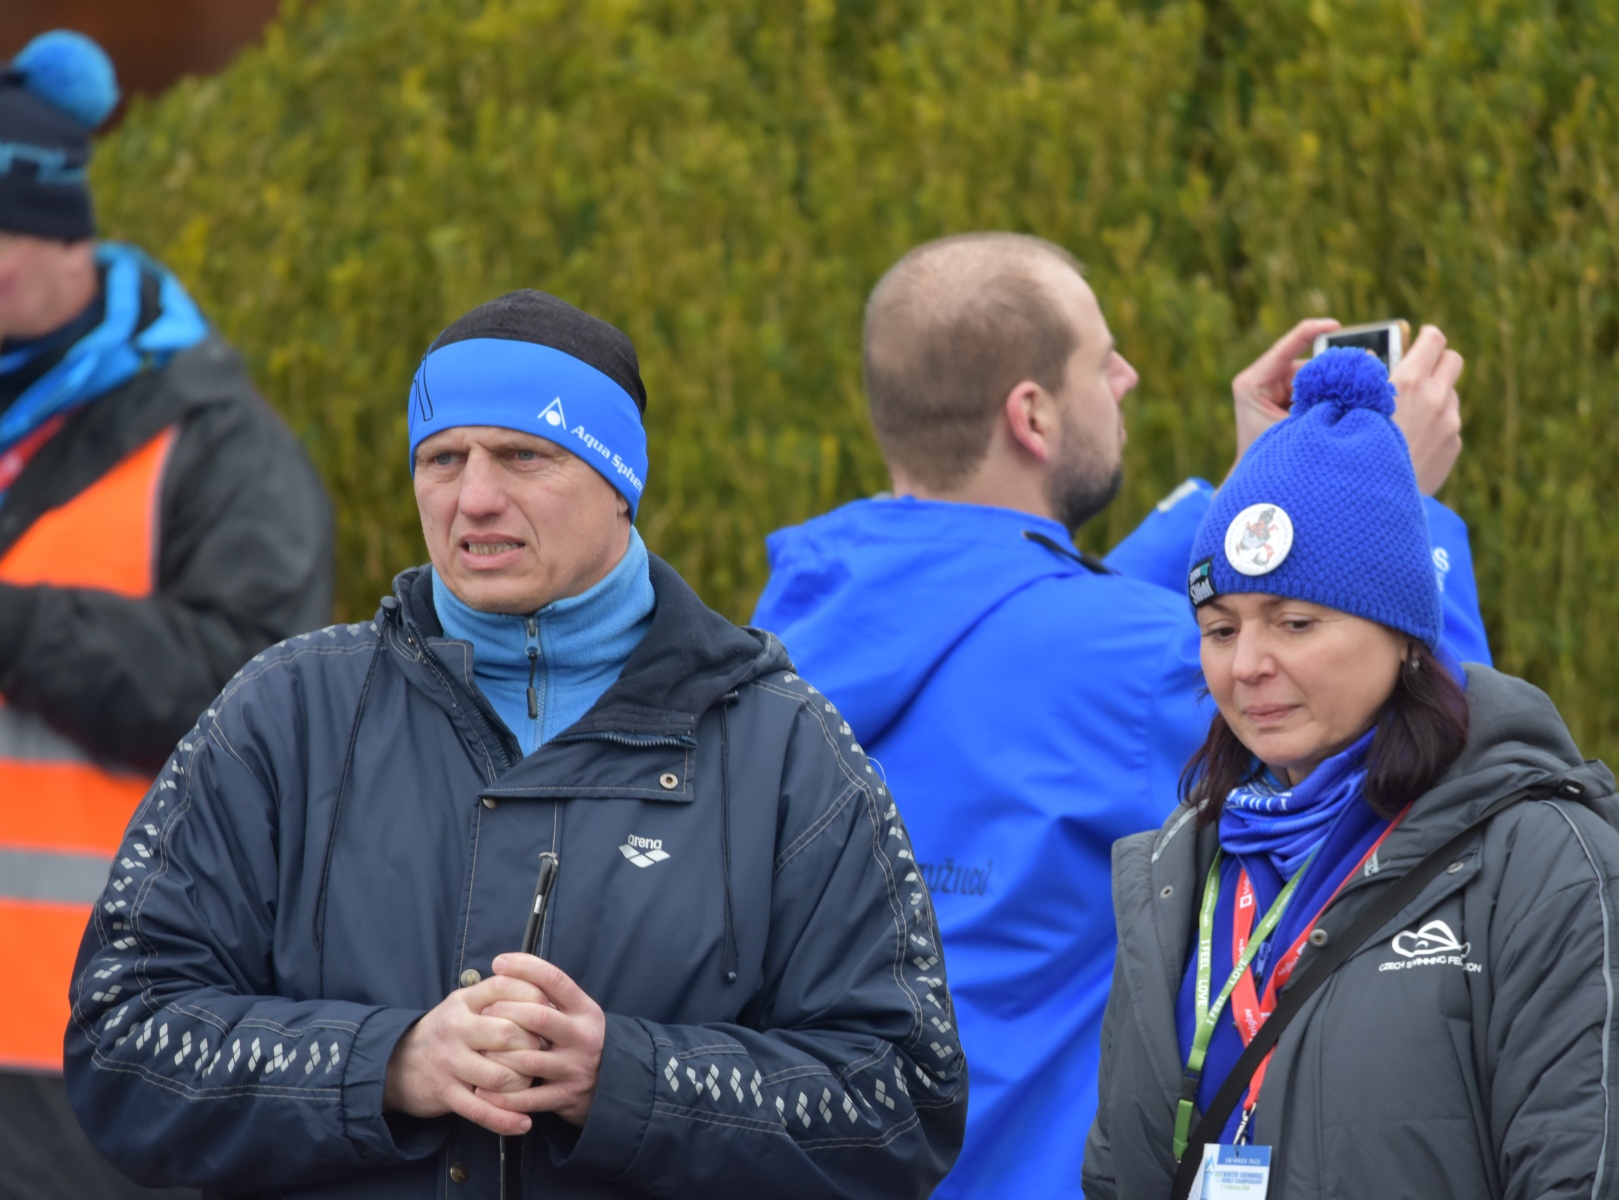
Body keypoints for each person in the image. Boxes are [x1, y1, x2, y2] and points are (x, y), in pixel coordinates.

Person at [63, 290, 966, 1198]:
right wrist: (387, 1065)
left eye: (524, 455)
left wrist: (626, 1082)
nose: (475, 499)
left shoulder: (786, 749)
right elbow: (120, 1039)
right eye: (442, 459)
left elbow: (903, 1099)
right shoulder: (283, 714)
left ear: (620, 481)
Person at [751, 231, 1490, 1199]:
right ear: (1032, 415)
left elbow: (1026, 609)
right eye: (1102, 362)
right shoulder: (1133, 667)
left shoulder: (783, 633)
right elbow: (1440, 768)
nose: (1128, 377)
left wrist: (1254, 497)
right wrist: (1392, 507)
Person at [1084, 348, 1619, 1199]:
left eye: (1294, 622)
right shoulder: (1177, 875)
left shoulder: (1553, 875)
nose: (1247, 664)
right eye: (1220, 629)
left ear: (1405, 635)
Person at [0, 31, 334, 1199]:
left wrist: (14, 626)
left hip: (99, 1050)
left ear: (56, 236)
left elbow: (258, 700)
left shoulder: (214, 444)